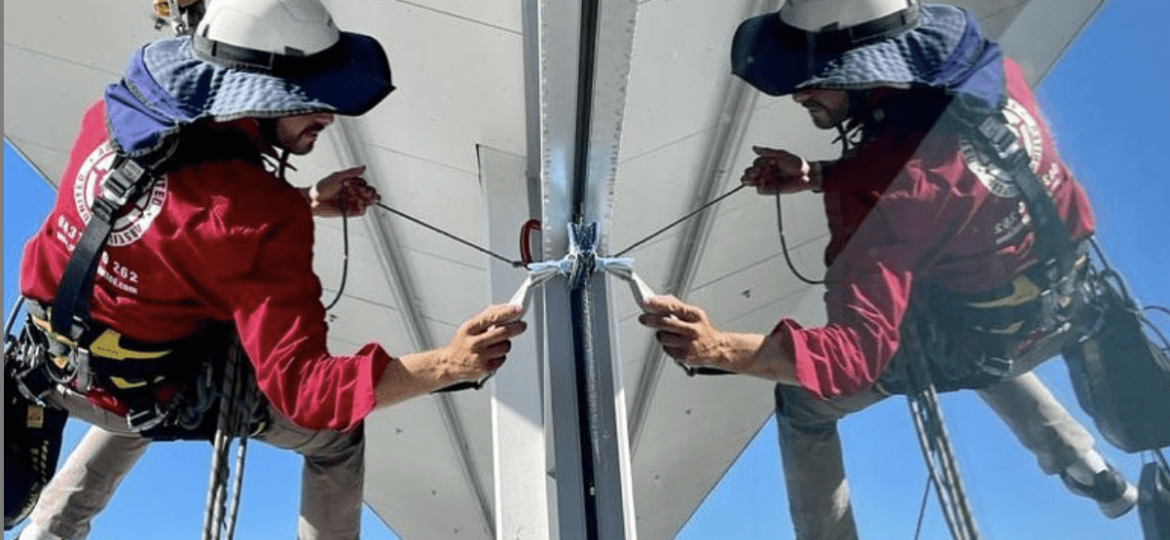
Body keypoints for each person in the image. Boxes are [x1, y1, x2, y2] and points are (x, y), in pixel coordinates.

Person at [10, 0, 526, 538]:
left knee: (144, 368)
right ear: (255, 99)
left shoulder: (112, 117)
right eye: (307, 100)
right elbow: (310, 395)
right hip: (134, 389)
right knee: (335, 437)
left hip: (48, 367)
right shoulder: (261, 217)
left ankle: (50, 529)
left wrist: (306, 199)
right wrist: (450, 362)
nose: (327, 115)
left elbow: (174, 219)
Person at [637, 1, 1138, 538]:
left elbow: (853, 358)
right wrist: (819, 174)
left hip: (987, 341)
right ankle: (1086, 465)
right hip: (1069, 300)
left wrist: (718, 348)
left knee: (804, 402)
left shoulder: (883, 213)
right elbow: (933, 160)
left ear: (867, 77)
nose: (799, 95)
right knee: (961, 318)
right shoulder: (992, 78)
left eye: (815, 81)